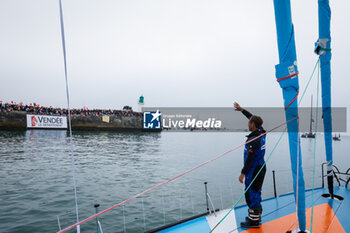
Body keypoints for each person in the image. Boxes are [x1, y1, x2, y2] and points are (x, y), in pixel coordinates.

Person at [234, 102, 266, 228]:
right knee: (255, 192)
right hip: (260, 167)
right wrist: (242, 110)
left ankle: (254, 221)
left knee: (252, 194)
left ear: (253, 124)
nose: (248, 123)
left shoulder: (254, 139)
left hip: (254, 169)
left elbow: (250, 158)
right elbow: (252, 117)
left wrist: (243, 173)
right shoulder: (261, 131)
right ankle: (256, 215)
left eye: (250, 122)